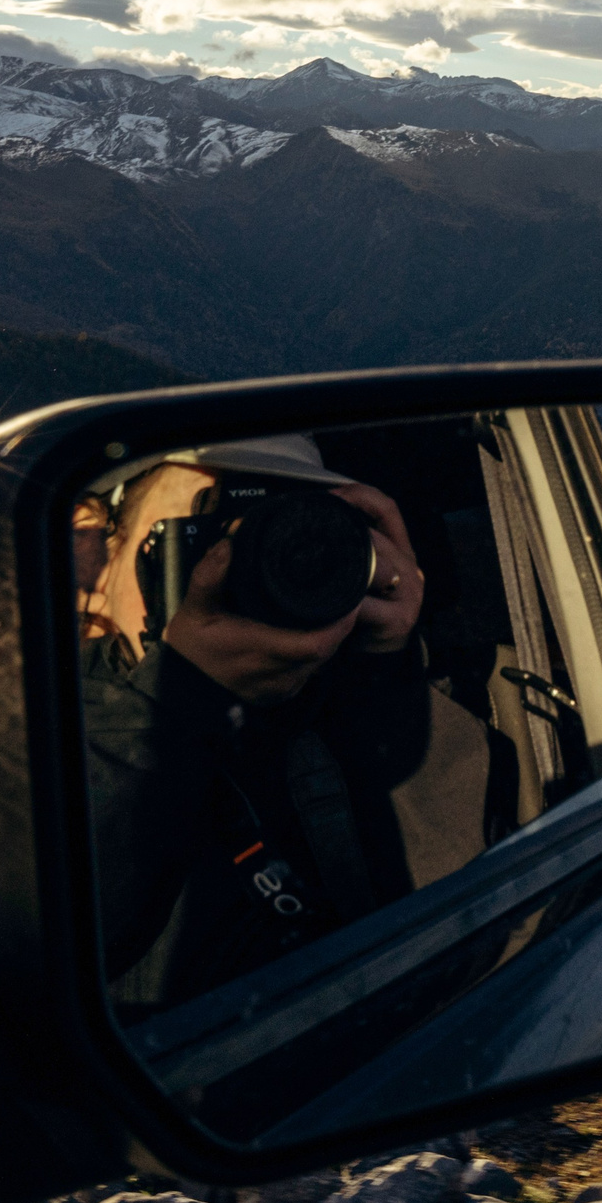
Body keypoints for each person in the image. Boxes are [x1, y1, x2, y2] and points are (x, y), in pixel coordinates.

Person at [76, 435, 493, 1018]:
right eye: (216, 532)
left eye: (291, 531)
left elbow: (467, 934)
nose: (253, 564)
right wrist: (179, 699)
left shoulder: (356, 698)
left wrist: (383, 670)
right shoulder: (28, 729)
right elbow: (42, 940)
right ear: (92, 556)